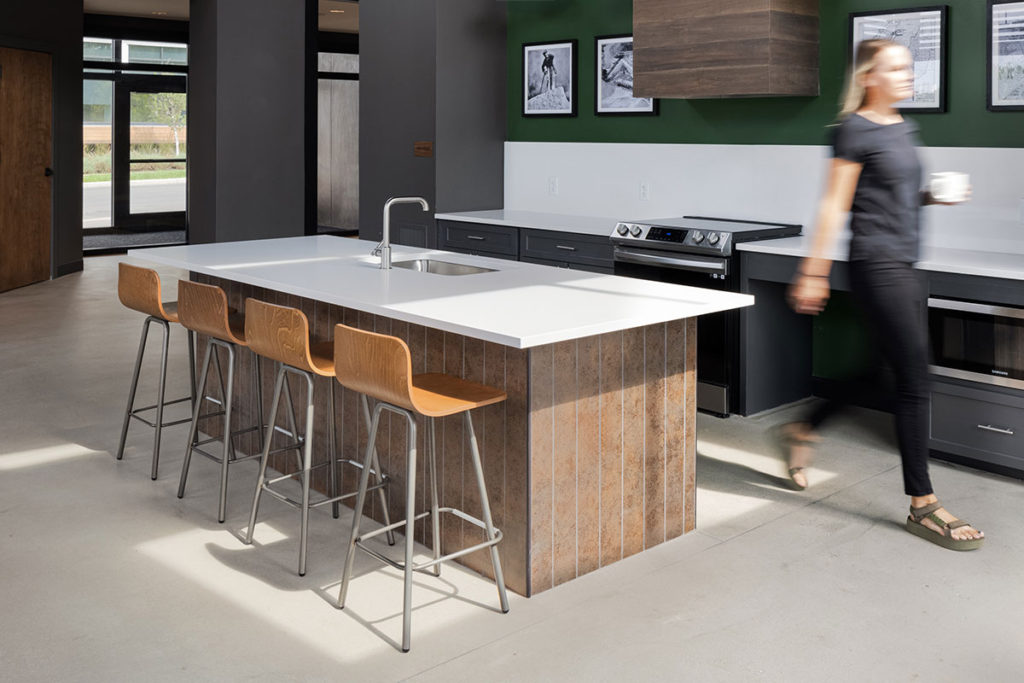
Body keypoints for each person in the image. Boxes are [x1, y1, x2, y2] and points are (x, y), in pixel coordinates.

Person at [784, 38, 984, 550]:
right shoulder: (852, 129)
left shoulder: (904, 127)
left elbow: (892, 193)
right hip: (877, 265)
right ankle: (923, 504)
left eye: (908, 67)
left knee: (882, 373)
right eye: (895, 67)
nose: (907, 74)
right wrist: (814, 271)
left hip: (907, 264)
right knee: (917, 380)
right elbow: (835, 205)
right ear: (869, 76)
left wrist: (929, 195)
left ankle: (804, 428)